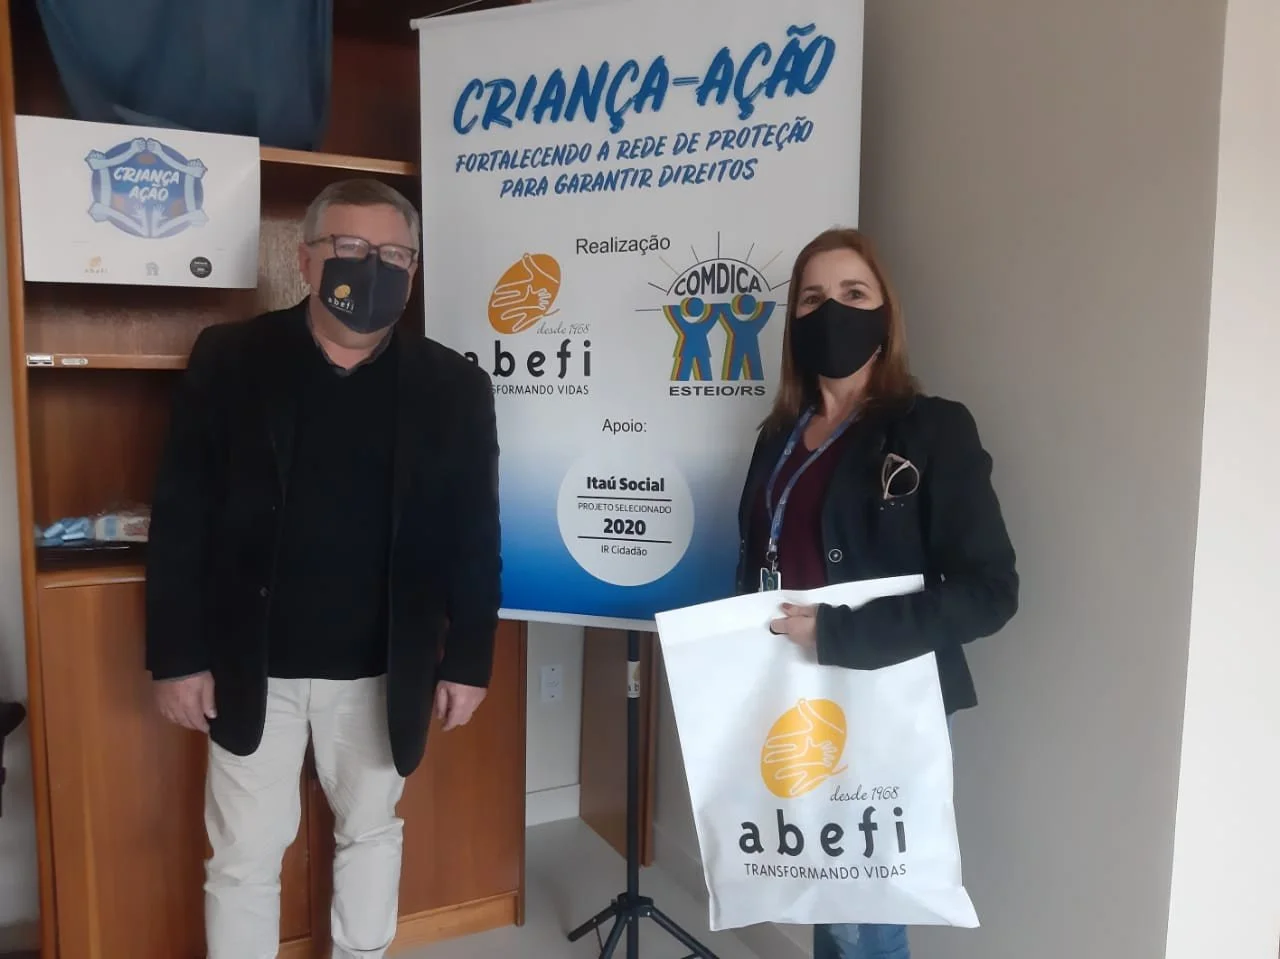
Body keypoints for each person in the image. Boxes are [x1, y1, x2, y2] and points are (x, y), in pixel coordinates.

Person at [144, 178, 501, 959]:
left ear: (414, 270)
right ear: (305, 260)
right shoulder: (230, 359)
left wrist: (469, 661)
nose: (374, 267)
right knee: (243, 854)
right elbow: (180, 514)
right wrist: (176, 656)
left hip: (382, 667)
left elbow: (475, 535)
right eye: (351, 248)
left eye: (395, 255)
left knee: (371, 831)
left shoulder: (455, 386)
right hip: (251, 663)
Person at [737, 228, 1018, 959]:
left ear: (885, 314)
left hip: (887, 697)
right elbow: (756, 558)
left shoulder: (934, 429)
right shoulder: (777, 436)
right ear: (794, 323)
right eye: (812, 298)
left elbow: (991, 591)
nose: (832, 310)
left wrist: (839, 633)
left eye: (853, 293)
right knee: (821, 887)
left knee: (866, 915)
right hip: (790, 692)